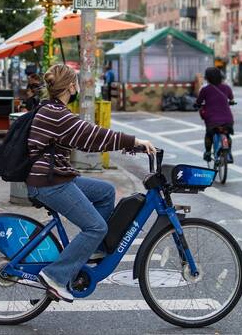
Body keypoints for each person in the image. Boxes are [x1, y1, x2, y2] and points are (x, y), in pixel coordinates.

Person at [26, 64, 155, 302]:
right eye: (75, 82)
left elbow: (87, 141)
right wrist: (135, 140)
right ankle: (55, 276)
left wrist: (131, 146)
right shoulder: (58, 115)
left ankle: (93, 249)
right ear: (71, 86)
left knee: (105, 192)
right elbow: (93, 135)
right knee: (96, 226)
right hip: (49, 182)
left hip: (55, 176)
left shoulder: (52, 109)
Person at [196, 67, 235, 162]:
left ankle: (208, 152)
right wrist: (231, 102)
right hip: (228, 119)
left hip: (212, 120)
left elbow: (199, 102)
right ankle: (228, 153)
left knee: (209, 135)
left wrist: (197, 105)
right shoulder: (226, 87)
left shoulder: (205, 90)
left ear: (207, 78)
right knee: (227, 134)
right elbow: (231, 99)